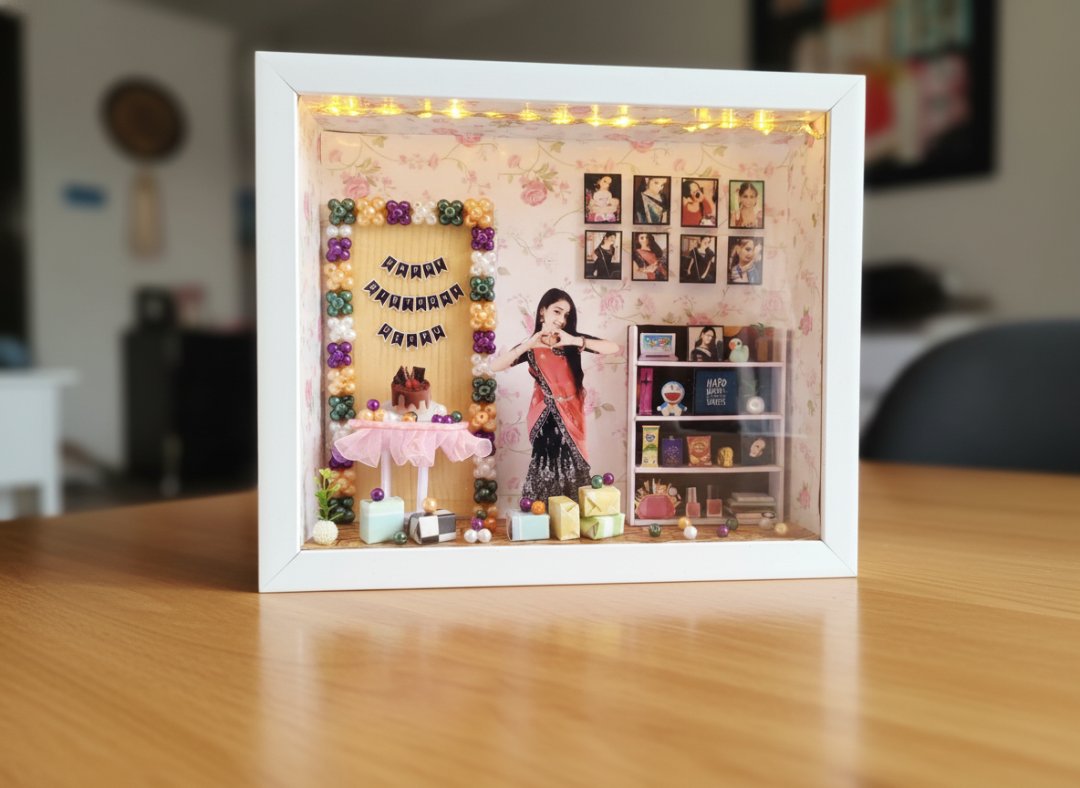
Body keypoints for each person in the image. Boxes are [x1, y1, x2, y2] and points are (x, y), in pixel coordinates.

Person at [489, 289, 619, 502]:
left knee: (572, 461)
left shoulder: (571, 341)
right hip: (545, 415)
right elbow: (495, 366)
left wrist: (575, 341)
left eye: (566, 315)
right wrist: (529, 343)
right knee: (546, 461)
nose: (561, 319)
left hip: (572, 415)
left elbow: (612, 347)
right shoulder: (531, 347)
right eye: (557, 312)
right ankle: (543, 510)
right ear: (543, 311)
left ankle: (570, 512)